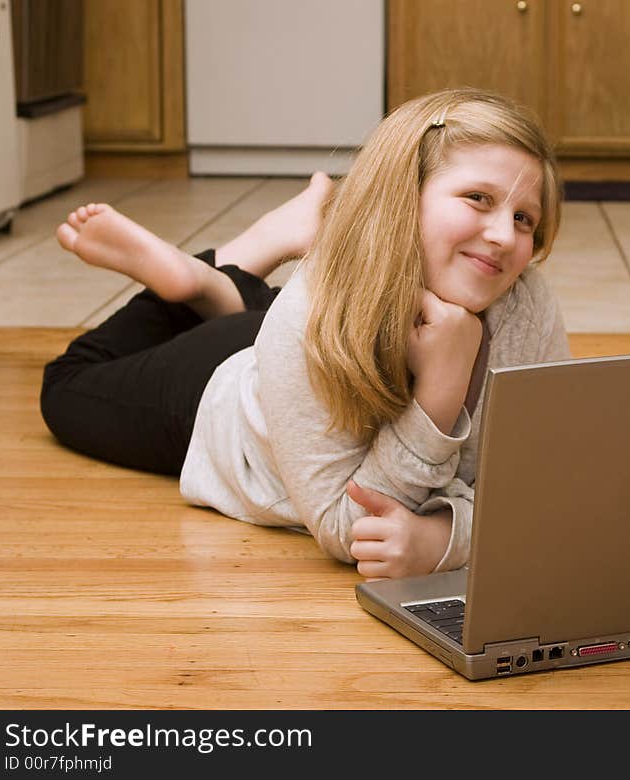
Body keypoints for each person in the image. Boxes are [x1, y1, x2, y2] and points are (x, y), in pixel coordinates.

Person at [40, 88, 570, 580]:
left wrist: (444, 538)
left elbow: (548, 489)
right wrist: (438, 393)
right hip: (223, 395)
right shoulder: (311, 310)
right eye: (478, 197)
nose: (504, 235)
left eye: (525, 218)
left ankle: (218, 285)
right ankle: (236, 258)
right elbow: (348, 523)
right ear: (402, 197)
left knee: (281, 316)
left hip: (292, 339)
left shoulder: (528, 305)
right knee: (67, 386)